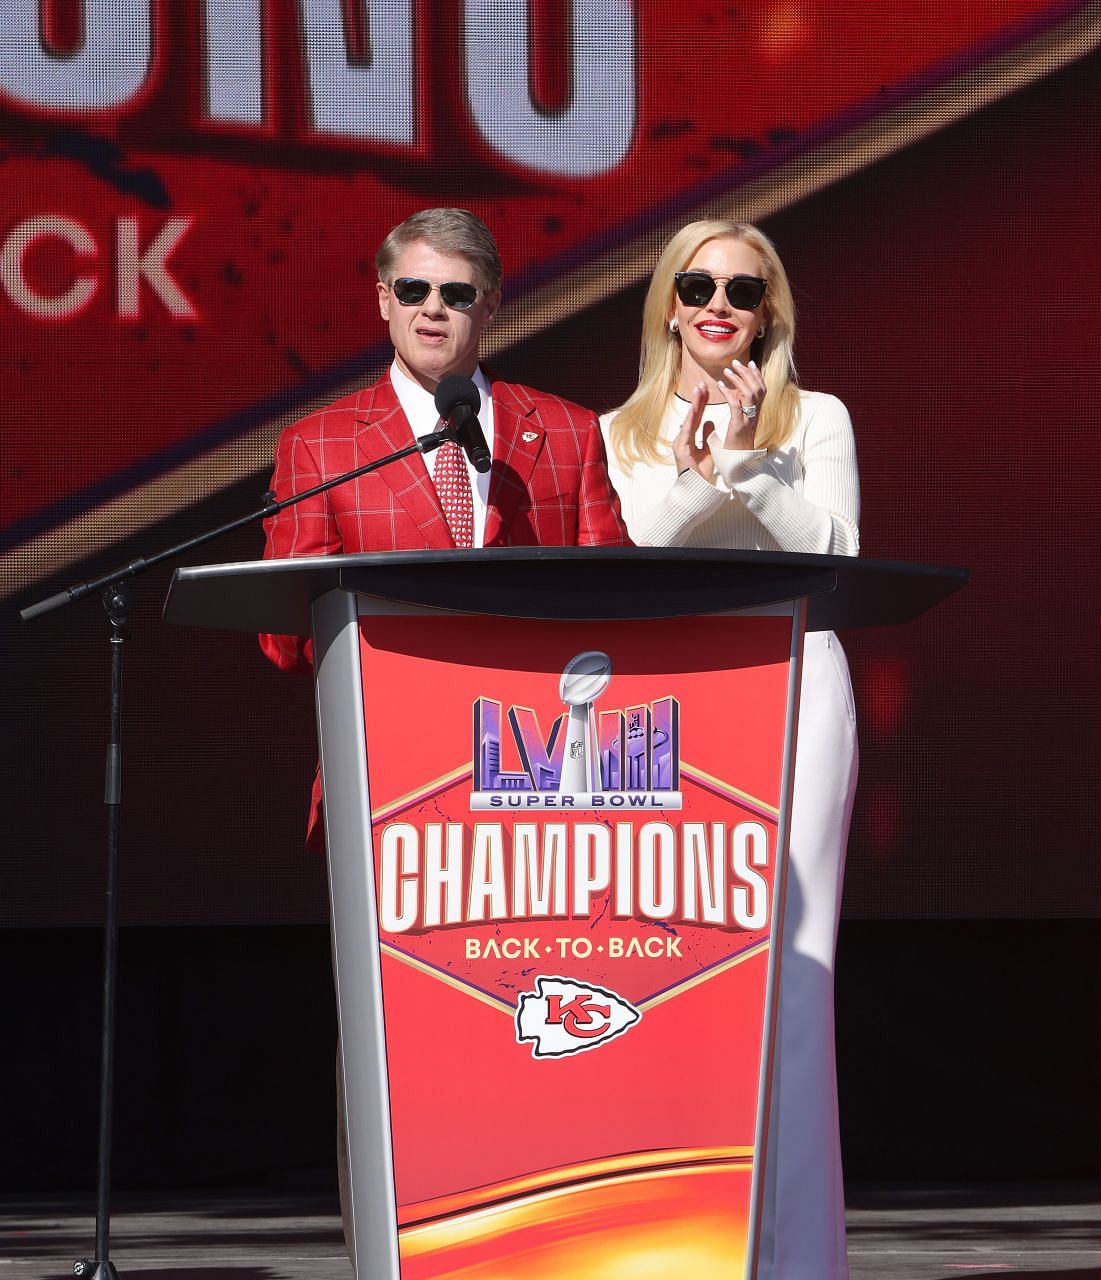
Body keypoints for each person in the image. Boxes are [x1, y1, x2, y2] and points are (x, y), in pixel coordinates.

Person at [602, 219, 860, 1278]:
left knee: (793, 976)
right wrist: (696, 466)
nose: (718, 303)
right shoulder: (617, 428)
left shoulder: (820, 418)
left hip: (799, 682)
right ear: (669, 301)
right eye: (698, 283)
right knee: (676, 965)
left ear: (770, 313)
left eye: (743, 290)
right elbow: (651, 544)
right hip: (674, 701)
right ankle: (678, 1245)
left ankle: (795, 1258)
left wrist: (748, 461)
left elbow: (832, 548)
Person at [260, 206, 628, 841]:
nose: (432, 309)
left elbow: (620, 601)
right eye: (413, 290)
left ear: (489, 307)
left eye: (456, 294)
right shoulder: (319, 447)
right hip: (390, 772)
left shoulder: (568, 431)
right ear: (384, 300)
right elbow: (283, 635)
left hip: (549, 777)